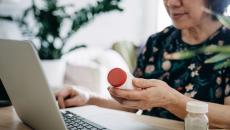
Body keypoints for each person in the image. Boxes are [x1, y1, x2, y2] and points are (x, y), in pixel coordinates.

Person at [55, 0, 230, 128]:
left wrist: (171, 100)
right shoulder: (157, 42)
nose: (171, 3)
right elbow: (133, 105)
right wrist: (88, 98)